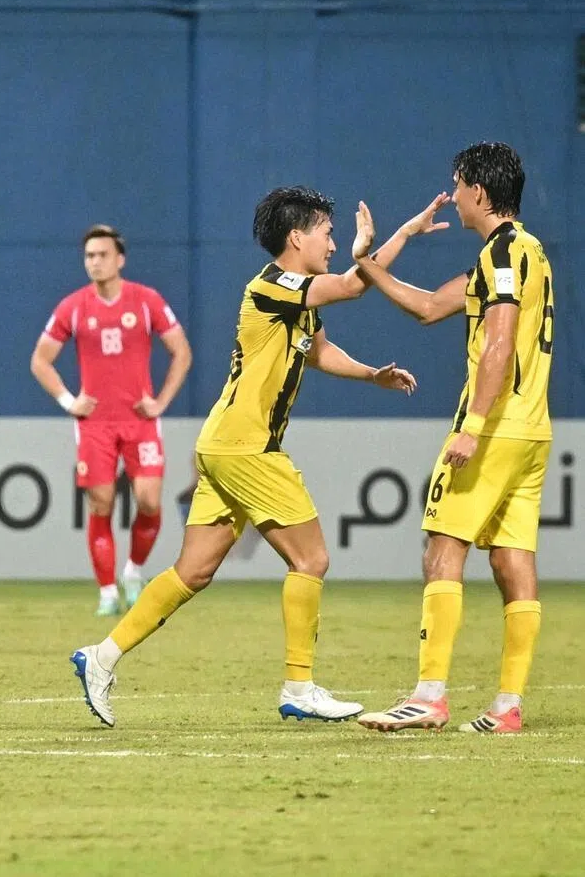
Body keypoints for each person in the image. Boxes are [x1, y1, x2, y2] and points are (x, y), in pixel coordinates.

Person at [71, 186, 443, 727]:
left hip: (224, 444)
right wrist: (397, 237)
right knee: (311, 559)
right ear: (297, 237)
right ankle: (300, 685)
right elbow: (349, 286)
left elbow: (315, 348)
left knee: (192, 571)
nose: (334, 243)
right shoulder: (272, 283)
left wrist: (369, 373)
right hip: (248, 448)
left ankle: (100, 657)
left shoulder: (293, 296)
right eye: (327, 233)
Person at [355, 143, 553, 734]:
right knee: (514, 559)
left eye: (460, 184)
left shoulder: (499, 255)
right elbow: (430, 306)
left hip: (492, 427)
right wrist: (366, 263)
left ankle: (429, 696)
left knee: (443, 549)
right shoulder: (527, 253)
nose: (456, 193)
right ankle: (507, 707)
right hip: (533, 430)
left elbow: (498, 340)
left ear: (481, 195)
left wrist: (471, 427)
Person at [31, 225, 192, 615]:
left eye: (102, 255)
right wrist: (70, 400)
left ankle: (133, 571)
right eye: (89, 256)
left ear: (120, 259)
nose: (95, 262)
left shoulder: (145, 301)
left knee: (149, 500)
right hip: (95, 424)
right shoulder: (73, 306)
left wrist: (161, 401)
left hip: (139, 420)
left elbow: (181, 352)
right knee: (101, 503)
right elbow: (40, 360)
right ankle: (106, 592)